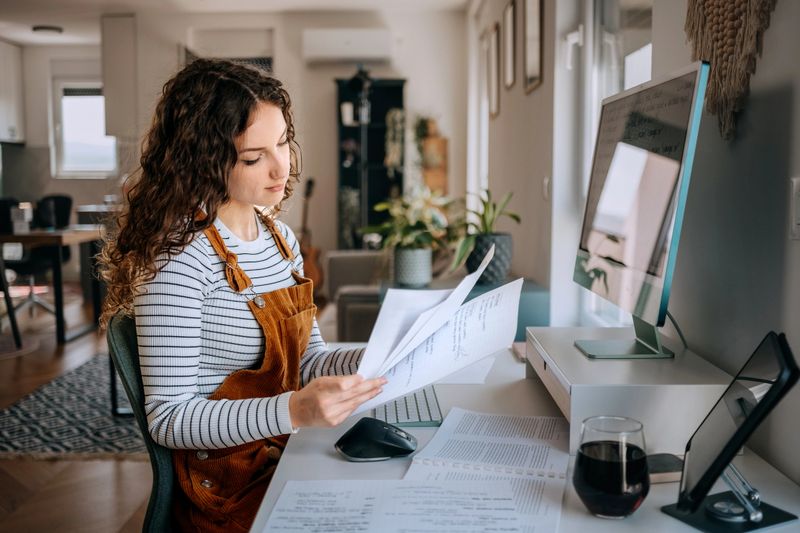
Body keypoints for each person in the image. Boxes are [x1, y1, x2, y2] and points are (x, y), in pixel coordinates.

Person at [98, 58, 385, 532]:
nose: (280, 167)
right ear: (204, 160)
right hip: (227, 488)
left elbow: (308, 362)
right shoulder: (178, 259)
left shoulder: (279, 238)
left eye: (283, 143)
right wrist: (294, 409)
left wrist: (375, 359)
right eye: (253, 157)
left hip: (283, 451)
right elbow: (169, 419)